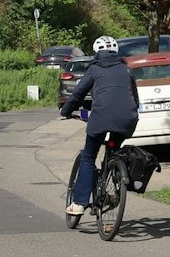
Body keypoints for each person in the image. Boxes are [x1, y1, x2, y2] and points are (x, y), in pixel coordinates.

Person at [58, 35, 138, 215]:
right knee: (113, 149)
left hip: (101, 118)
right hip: (127, 119)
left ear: (97, 52)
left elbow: (78, 93)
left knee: (88, 157)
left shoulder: (94, 69)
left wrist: (66, 111)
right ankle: (112, 177)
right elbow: (135, 98)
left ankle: (79, 204)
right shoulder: (126, 70)